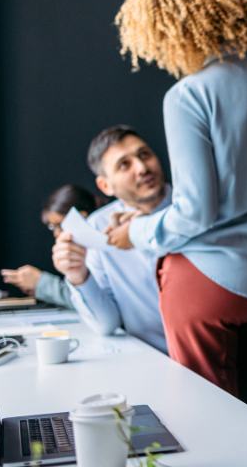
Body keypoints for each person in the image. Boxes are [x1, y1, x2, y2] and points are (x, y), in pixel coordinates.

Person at [108, 0, 247, 417]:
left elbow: (195, 211)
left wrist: (136, 232)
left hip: (207, 281)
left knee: (208, 421)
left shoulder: (188, 95)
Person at [52, 125, 169, 354]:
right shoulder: (98, 226)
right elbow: (107, 324)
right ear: (105, 185)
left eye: (144, 154)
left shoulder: (196, 208)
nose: (142, 167)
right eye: (124, 164)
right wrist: (79, 276)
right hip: (151, 361)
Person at [0, 184, 97, 308]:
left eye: (60, 225)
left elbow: (93, 302)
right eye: (52, 227)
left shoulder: (102, 250)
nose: (57, 234)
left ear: (83, 217)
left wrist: (40, 282)